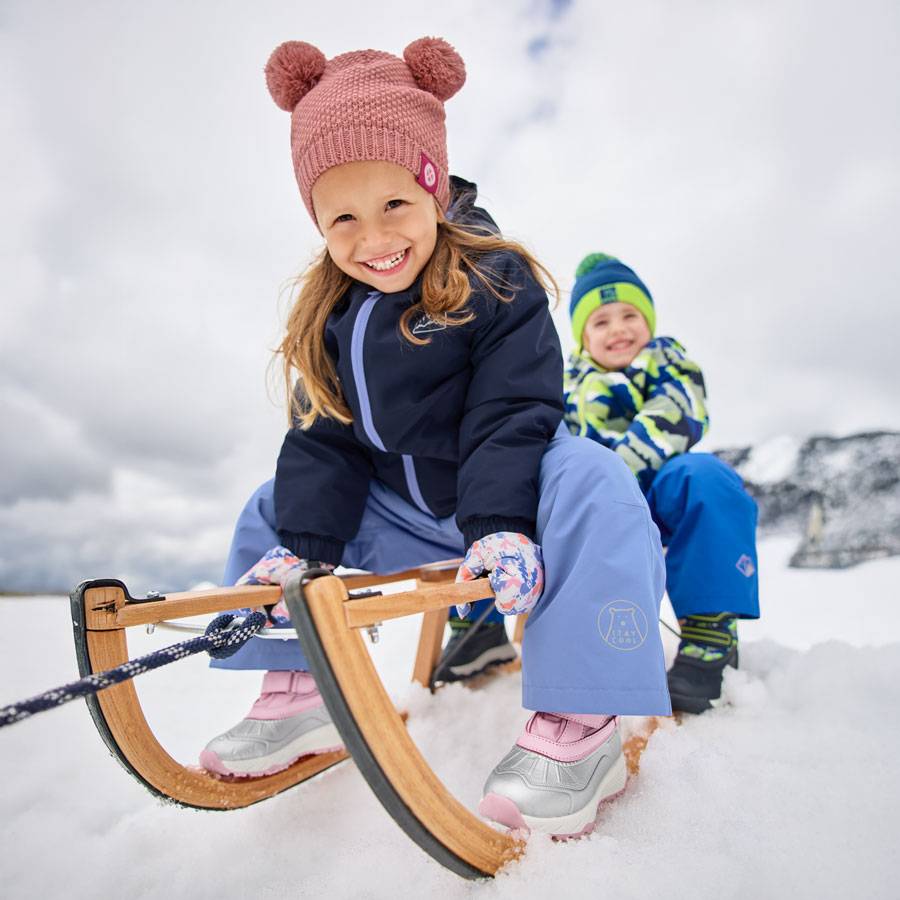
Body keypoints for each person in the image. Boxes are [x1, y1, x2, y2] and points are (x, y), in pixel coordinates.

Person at [200, 38, 671, 837]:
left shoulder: (495, 278)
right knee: (275, 505)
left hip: (511, 499)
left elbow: (512, 410)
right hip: (406, 513)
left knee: (595, 480)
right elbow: (324, 437)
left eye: (393, 205)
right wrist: (307, 544)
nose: (372, 236)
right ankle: (298, 691)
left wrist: (499, 526)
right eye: (340, 217)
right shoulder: (332, 313)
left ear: (436, 187)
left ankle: (580, 720)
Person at [563, 253, 760, 713]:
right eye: (602, 321)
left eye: (631, 315)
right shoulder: (568, 382)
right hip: (594, 509)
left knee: (707, 477)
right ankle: (592, 652)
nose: (619, 329)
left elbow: (678, 407)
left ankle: (710, 632)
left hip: (658, 490)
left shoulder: (666, 357)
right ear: (582, 336)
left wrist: (617, 473)